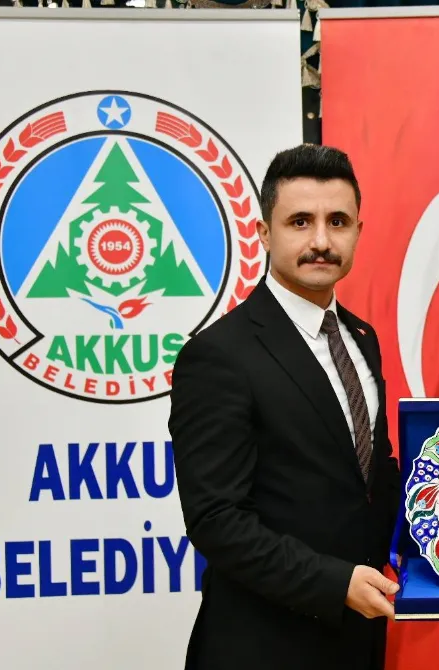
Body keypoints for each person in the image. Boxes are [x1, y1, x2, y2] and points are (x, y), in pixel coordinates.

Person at [168, 143, 401, 670]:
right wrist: (335, 583)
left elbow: (372, 478)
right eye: (300, 222)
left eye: (337, 221)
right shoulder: (218, 355)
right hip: (263, 644)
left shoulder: (362, 340)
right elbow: (216, 520)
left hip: (360, 640)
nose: (321, 241)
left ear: (358, 231)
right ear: (264, 233)